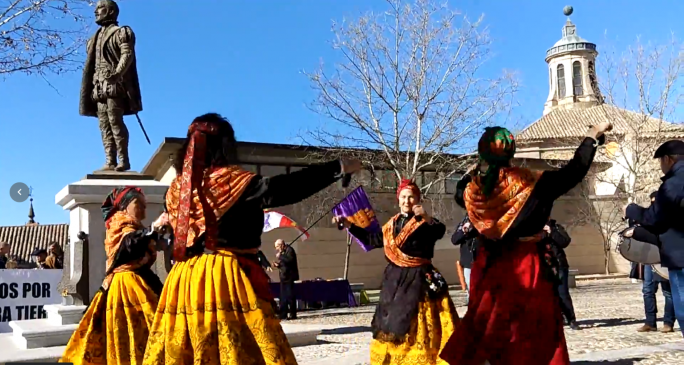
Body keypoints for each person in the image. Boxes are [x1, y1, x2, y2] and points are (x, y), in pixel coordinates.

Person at [142, 113, 361, 365]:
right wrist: (338, 166)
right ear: (225, 145)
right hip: (224, 277)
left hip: (183, 281)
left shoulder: (176, 190)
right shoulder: (234, 182)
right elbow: (286, 187)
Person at [440, 122, 612, 365]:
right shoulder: (533, 182)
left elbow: (460, 191)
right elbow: (573, 171)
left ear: (482, 153)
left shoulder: (472, 190)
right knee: (533, 328)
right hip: (526, 266)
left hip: (488, 267)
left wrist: (474, 170)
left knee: (487, 324)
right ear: (512, 151)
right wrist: (591, 138)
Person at [333, 179, 459, 365]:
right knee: (391, 320)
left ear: (418, 199)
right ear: (398, 199)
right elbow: (373, 240)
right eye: (403, 197)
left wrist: (427, 217)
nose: (406, 201)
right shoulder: (391, 225)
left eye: (411, 197)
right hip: (395, 280)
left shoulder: (424, 222)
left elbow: (439, 232)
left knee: (417, 322)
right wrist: (349, 225)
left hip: (419, 279)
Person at [60, 187, 165, 365]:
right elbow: (129, 245)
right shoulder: (119, 225)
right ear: (124, 207)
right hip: (126, 287)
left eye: (145, 206)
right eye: (138, 204)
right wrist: (153, 229)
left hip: (142, 281)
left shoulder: (136, 227)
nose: (143, 210)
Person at [625, 139, 684, 337]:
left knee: (682, 307)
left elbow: (655, 218)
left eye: (661, 161)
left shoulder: (674, 182)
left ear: (668, 159)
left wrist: (632, 210)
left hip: (681, 257)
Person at [625, 192, 675, 333]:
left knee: (668, 292)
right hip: (649, 258)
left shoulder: (667, 217)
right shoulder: (649, 217)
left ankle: (668, 322)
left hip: (664, 258)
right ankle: (650, 322)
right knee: (647, 290)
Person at [544, 219, 578, 330]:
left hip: (559, 265)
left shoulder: (556, 227)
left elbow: (564, 242)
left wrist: (551, 231)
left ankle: (571, 319)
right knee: (548, 294)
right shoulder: (533, 229)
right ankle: (557, 318)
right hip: (544, 265)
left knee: (563, 293)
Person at [452, 215, 478, 304]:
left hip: (485, 261)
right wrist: (464, 230)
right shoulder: (464, 222)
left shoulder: (486, 219)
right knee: (471, 289)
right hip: (469, 263)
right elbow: (454, 240)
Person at [274, 239, 299, 320]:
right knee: (283, 296)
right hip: (283, 276)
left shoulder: (290, 250)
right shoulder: (282, 252)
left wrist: (280, 256)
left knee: (290, 296)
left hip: (289, 277)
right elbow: (284, 264)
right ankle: (283, 314)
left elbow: (290, 260)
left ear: (281, 245)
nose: (277, 248)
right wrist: (278, 265)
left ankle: (292, 314)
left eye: (277, 246)